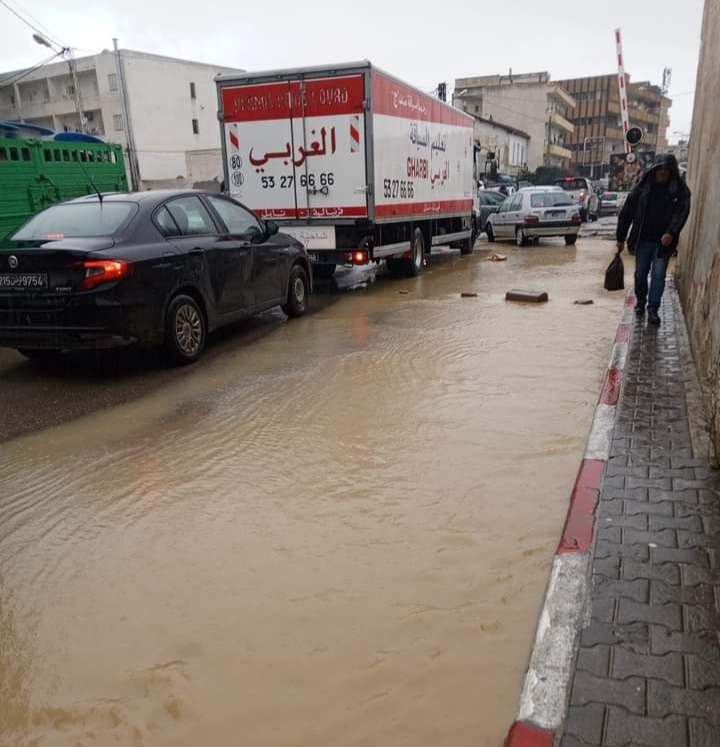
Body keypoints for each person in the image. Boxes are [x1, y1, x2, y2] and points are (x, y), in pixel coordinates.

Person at [616, 153, 691, 325]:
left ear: (671, 172)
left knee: (658, 275)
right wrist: (620, 238)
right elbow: (626, 213)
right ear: (654, 170)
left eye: (667, 170)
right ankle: (641, 302)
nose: (663, 173)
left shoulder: (679, 191)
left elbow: (682, 213)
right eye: (660, 170)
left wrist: (671, 232)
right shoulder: (642, 188)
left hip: (663, 243)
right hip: (643, 239)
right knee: (640, 274)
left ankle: (653, 309)